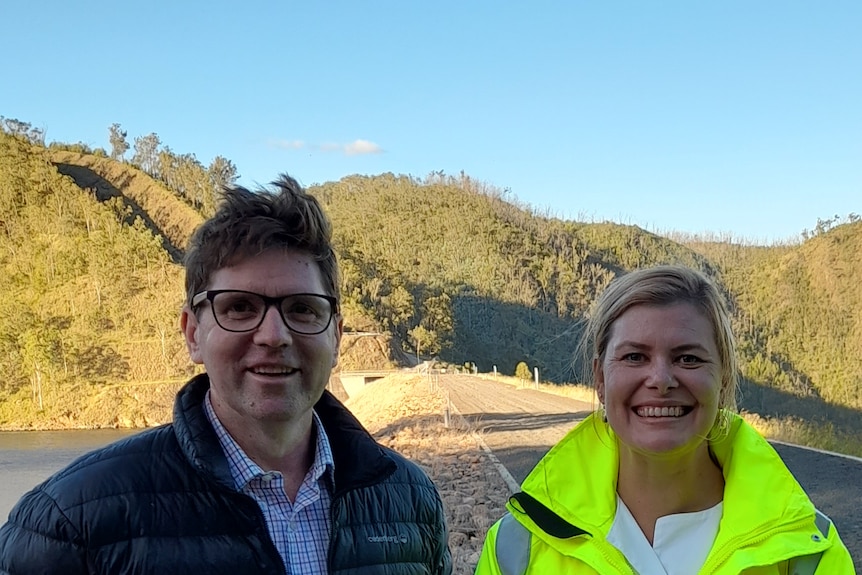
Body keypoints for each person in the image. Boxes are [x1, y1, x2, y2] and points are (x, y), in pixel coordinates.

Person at [0, 174, 452, 574]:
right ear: (193, 332)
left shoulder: (408, 500)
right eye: (239, 307)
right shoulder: (70, 523)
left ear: (335, 335)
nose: (273, 335)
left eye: (301, 309)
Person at [476, 265, 854, 574]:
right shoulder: (519, 547)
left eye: (688, 358)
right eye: (635, 357)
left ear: (722, 381)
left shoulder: (806, 551)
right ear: (600, 379)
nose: (661, 380)